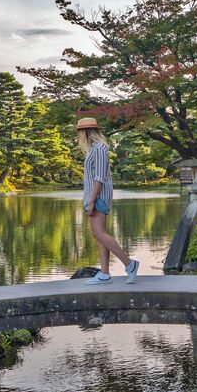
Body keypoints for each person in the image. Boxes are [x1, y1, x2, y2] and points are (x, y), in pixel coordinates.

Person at [76, 117, 140, 285]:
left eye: (80, 132)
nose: (79, 136)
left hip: (97, 197)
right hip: (93, 196)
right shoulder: (94, 149)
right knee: (99, 235)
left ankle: (129, 264)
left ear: (86, 132)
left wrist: (91, 200)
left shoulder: (99, 149)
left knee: (99, 233)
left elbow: (99, 178)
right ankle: (104, 273)